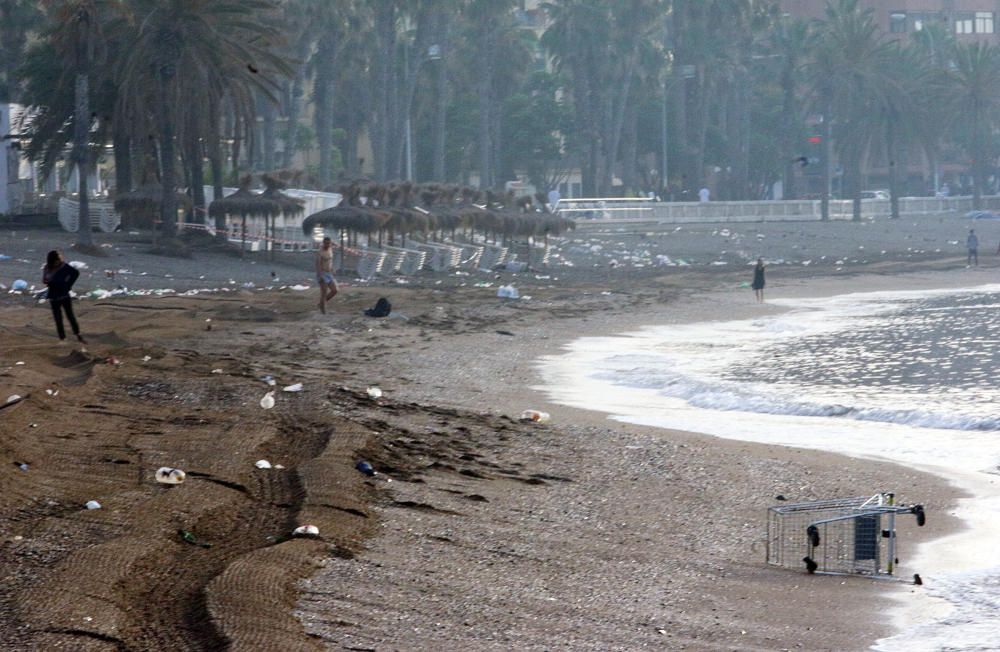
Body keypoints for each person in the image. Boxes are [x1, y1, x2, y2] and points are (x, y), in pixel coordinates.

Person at [42, 250, 85, 343]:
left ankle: (78, 334)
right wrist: (50, 281)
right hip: (53, 296)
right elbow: (45, 279)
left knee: (70, 316)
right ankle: (63, 338)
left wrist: (68, 284)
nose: (59, 261)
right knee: (58, 318)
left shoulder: (63, 266)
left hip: (64, 295)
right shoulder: (47, 268)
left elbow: (75, 273)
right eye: (57, 259)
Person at [315, 236, 338, 313]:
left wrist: (332, 269)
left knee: (334, 290)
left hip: (329, 273)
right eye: (326, 243)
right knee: (324, 293)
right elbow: (318, 264)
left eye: (329, 243)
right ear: (323, 243)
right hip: (322, 273)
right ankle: (323, 311)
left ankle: (321, 304)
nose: (328, 245)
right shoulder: (320, 252)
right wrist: (320, 275)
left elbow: (330, 261)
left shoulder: (330, 249)